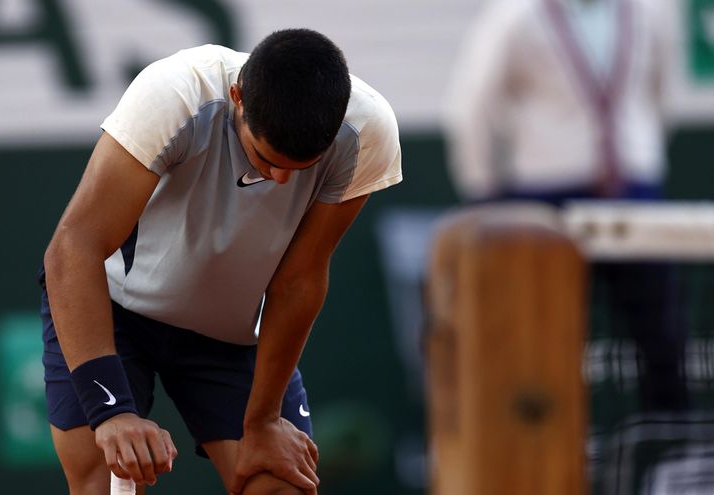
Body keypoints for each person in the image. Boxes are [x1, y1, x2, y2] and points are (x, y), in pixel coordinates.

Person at [39, 28, 402, 495]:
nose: (280, 180)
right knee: (107, 483)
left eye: (300, 167)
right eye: (266, 159)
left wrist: (266, 419)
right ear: (237, 98)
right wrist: (112, 411)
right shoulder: (174, 94)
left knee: (280, 484)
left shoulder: (367, 132)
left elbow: (299, 281)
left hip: (232, 334)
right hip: (113, 313)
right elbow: (73, 247)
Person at [444, 0, 688, 411]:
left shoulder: (652, 12)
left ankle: (670, 453)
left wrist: (639, 154)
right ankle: (542, 462)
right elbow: (474, 104)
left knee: (662, 337)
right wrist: (483, 191)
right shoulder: (515, 16)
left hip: (635, 199)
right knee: (542, 343)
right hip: (547, 201)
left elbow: (663, 95)